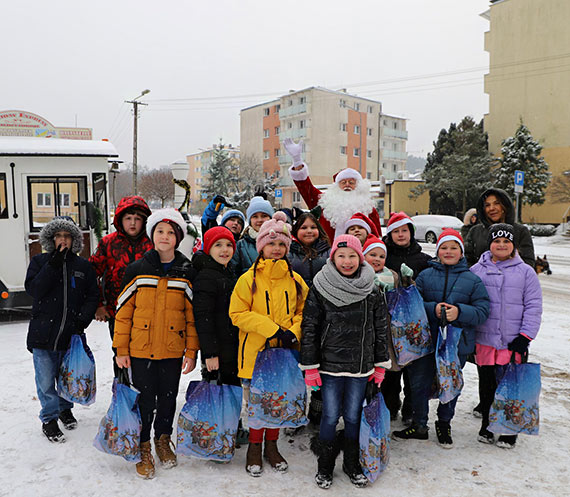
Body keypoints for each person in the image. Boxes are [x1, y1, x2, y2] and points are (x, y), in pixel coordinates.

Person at [113, 208, 199, 479]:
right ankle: (143, 445)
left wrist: (192, 351)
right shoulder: (137, 270)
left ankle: (163, 439)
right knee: (144, 399)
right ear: (152, 236)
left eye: (170, 233)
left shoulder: (186, 270)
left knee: (168, 398)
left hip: (172, 350)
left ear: (177, 237)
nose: (165, 237)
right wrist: (121, 350)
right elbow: (123, 313)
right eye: (160, 231)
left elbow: (192, 316)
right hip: (140, 350)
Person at [300, 234, 389, 489]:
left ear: (360, 258)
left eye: (352, 256)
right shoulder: (321, 286)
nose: (347, 261)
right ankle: (325, 465)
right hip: (329, 366)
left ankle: (352, 463)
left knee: (353, 416)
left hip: (360, 366)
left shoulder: (371, 287)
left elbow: (380, 328)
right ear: (333, 258)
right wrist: (310, 367)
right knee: (329, 417)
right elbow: (310, 328)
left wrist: (380, 365)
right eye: (341, 256)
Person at [392, 229, 489, 448]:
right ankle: (419, 424)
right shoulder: (426, 275)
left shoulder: (472, 280)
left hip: (456, 345)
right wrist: (432, 309)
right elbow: (413, 303)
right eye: (444, 247)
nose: (448, 251)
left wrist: (460, 312)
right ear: (437, 251)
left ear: (461, 251)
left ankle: (444, 423)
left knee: (450, 384)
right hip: (425, 342)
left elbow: (482, 310)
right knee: (419, 384)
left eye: (454, 247)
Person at [229, 212, 309, 477]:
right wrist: (273, 329)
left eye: (281, 245)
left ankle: (271, 446)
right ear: (261, 246)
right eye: (271, 244)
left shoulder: (295, 280)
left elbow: (304, 310)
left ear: (287, 247)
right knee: (256, 403)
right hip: (256, 353)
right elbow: (237, 313)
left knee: (277, 402)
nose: (276, 249)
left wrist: (293, 331)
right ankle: (254, 447)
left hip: (284, 353)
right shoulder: (247, 279)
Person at [25, 216, 98, 443]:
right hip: (42, 336)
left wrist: (82, 320)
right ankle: (49, 419)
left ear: (74, 240)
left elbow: (92, 295)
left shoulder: (83, 266)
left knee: (67, 378)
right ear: (51, 238)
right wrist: (53, 264)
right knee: (46, 381)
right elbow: (35, 290)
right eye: (58, 236)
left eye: (67, 236)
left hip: (71, 335)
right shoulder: (39, 262)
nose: (63, 240)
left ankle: (65, 409)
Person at [470, 223, 542, 449]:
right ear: (489, 244)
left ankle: (510, 429)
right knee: (488, 385)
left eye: (506, 242)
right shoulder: (477, 271)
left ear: (513, 245)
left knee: (510, 384)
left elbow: (533, 305)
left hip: (513, 341)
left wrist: (526, 336)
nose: (501, 245)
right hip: (485, 339)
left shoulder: (526, 272)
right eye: (496, 241)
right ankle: (489, 424)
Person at [89, 195, 153, 377]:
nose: (132, 223)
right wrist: (98, 305)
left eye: (137, 219)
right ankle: (123, 391)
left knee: (146, 355)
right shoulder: (108, 243)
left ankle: (145, 395)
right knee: (121, 353)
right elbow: (92, 274)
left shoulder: (152, 243)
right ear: (120, 220)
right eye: (128, 218)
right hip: (117, 311)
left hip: (148, 312)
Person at [381, 211, 431, 423]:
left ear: (411, 232)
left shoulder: (423, 259)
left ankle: (411, 407)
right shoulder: (384, 256)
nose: (400, 235)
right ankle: (391, 405)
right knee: (390, 371)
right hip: (389, 321)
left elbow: (429, 288)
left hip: (414, 324)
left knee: (413, 370)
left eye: (404, 231)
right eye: (396, 231)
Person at [284, 138, 382, 240]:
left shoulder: (367, 207)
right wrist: (297, 161)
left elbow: (377, 237)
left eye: (351, 182)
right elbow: (305, 187)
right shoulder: (325, 202)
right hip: (326, 253)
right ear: (336, 186)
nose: (347, 185)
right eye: (343, 182)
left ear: (358, 186)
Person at [465, 188, 535, 268]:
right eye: (487, 205)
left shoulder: (521, 231)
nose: (491, 208)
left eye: (496, 203)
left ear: (505, 206)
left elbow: (528, 263)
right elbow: (467, 261)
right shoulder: (475, 231)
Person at [231, 194, 274, 276]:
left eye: (264, 216)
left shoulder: (280, 241)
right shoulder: (241, 246)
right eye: (255, 216)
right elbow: (234, 274)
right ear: (250, 220)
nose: (260, 220)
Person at [289, 211, 331, 289]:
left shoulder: (328, 252)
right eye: (304, 228)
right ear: (296, 231)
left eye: (313, 227)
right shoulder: (289, 252)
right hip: (298, 297)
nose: (309, 231)